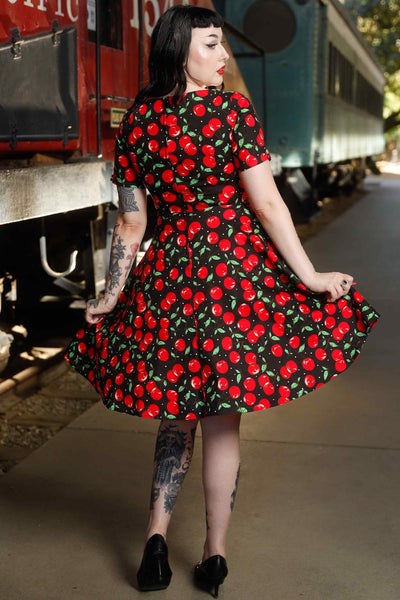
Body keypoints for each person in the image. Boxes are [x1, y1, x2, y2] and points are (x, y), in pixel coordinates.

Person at [64, 5, 380, 596]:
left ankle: (154, 544)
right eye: (213, 44)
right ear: (181, 47)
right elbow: (267, 205)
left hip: (167, 277)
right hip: (230, 276)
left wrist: (110, 296)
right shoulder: (230, 110)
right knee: (221, 419)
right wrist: (308, 275)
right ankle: (214, 555)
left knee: (174, 414)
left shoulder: (136, 121)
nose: (224, 55)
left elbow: (130, 227)